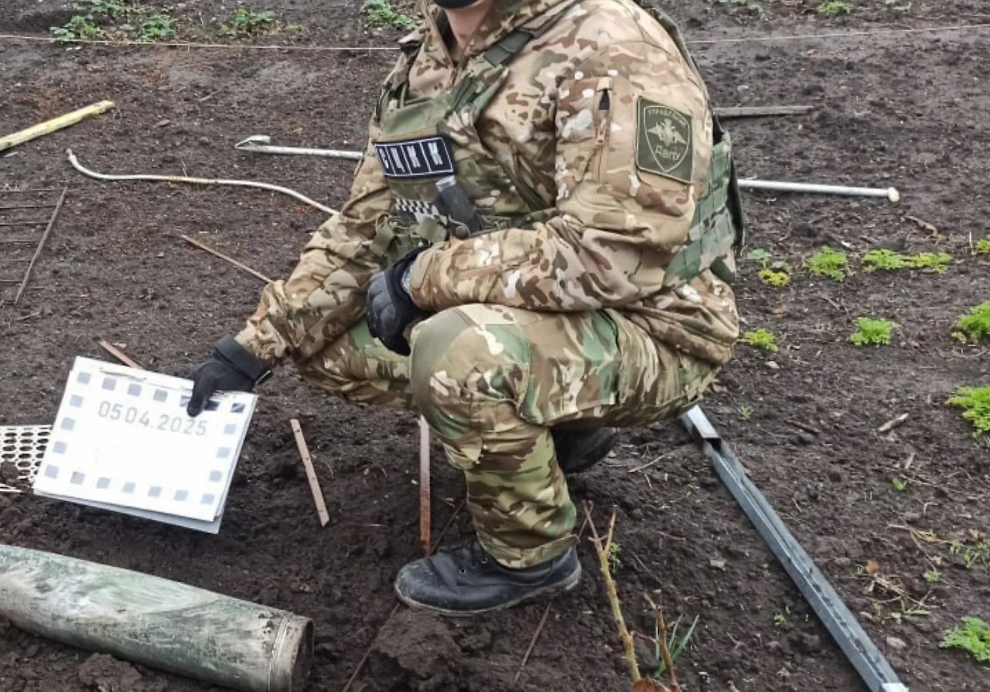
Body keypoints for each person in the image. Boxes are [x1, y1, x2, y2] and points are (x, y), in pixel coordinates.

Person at [185, 0, 743, 616]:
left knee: (461, 354)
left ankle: (529, 556)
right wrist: (254, 347)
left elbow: (613, 253)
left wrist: (420, 278)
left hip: (656, 327)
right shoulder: (431, 55)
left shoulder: (613, 48)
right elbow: (368, 224)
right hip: (524, 306)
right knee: (328, 346)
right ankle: (560, 429)